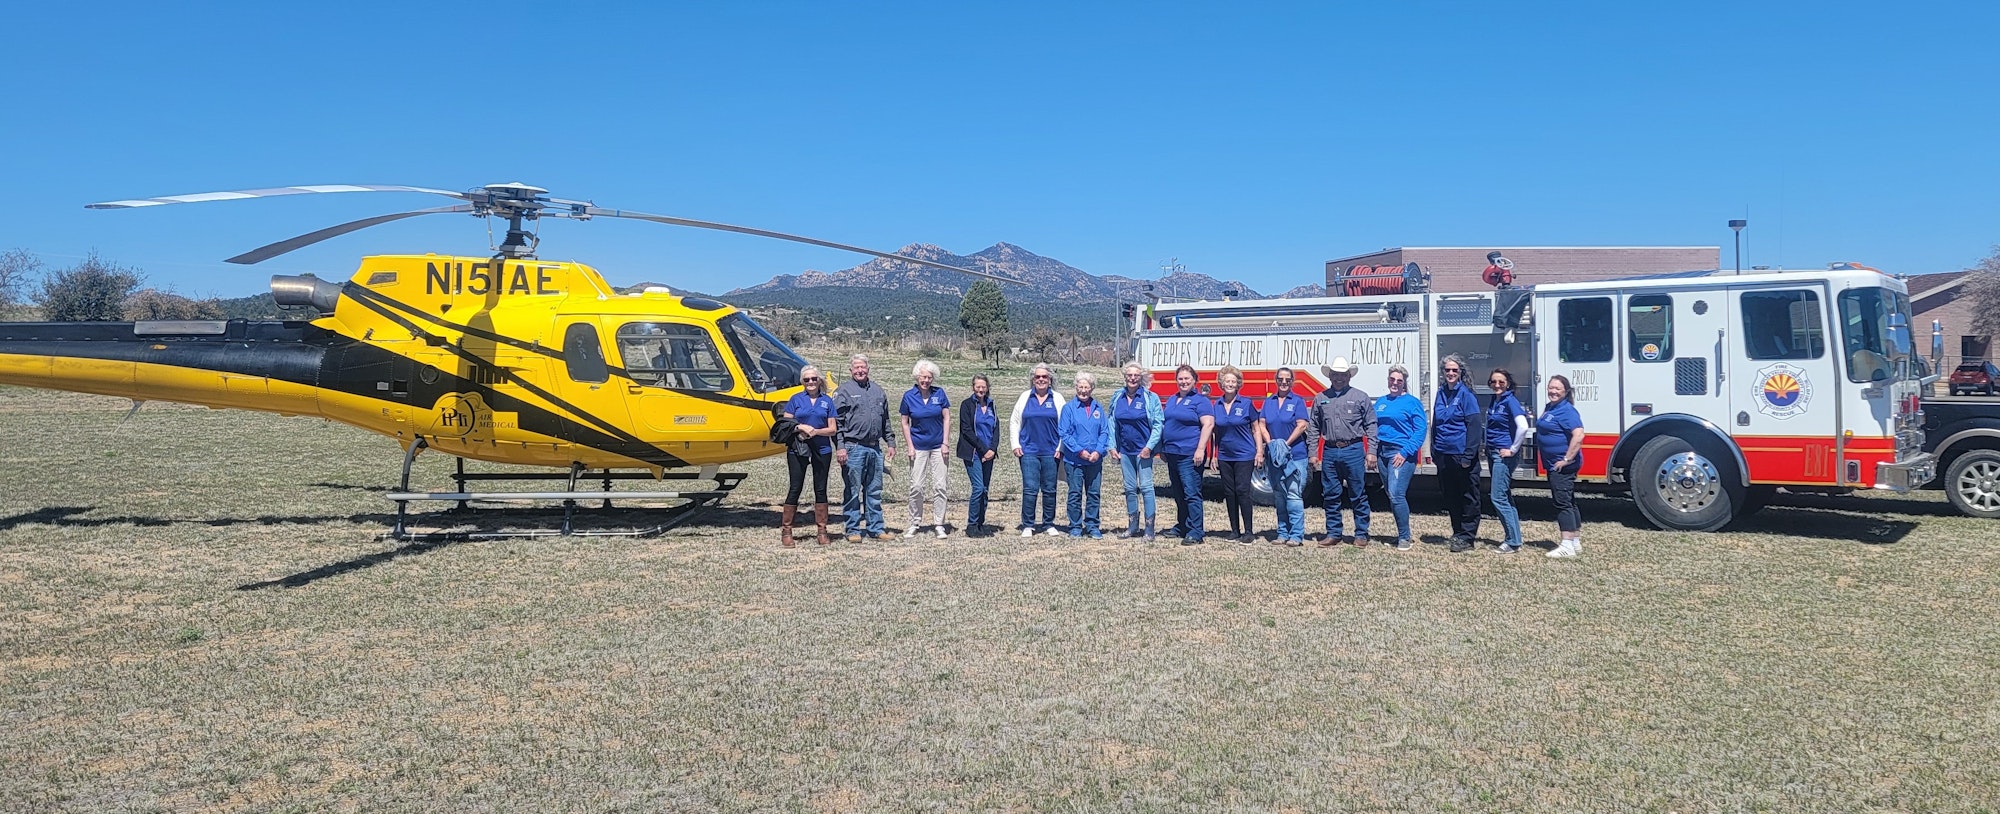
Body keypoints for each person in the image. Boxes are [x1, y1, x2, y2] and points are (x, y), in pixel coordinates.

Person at [1305, 357, 1377, 546]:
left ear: (1349, 376)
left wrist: (1371, 451)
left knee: (1358, 493)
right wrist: (1312, 453)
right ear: (1330, 376)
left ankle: (1361, 534)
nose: (1339, 378)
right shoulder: (1320, 398)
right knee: (1330, 494)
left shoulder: (1361, 397)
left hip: (1353, 450)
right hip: (1329, 451)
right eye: (1335, 374)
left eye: (1342, 375)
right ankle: (1334, 533)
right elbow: (1313, 427)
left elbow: (1371, 426)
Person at [834, 354, 894, 542]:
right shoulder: (843, 391)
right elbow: (837, 423)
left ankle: (876, 528)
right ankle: (853, 529)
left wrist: (890, 441)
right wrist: (840, 447)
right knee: (852, 490)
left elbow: (885, 420)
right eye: (856, 368)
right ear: (851, 370)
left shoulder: (878, 391)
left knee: (874, 490)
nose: (860, 370)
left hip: (875, 448)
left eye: (863, 367)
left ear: (868, 369)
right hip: (853, 448)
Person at [779, 364, 838, 547]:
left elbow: (833, 429)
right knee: (795, 487)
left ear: (819, 380)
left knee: (820, 489)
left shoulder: (827, 401)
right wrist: (800, 427)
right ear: (802, 382)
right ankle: (787, 531)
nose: (811, 382)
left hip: (822, 449)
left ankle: (822, 531)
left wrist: (816, 431)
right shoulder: (795, 399)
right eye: (807, 379)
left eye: (814, 379)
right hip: (798, 448)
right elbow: (785, 424)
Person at [1431, 353, 1483, 552]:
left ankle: (1468, 537)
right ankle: (1457, 532)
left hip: (1462, 454)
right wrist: (1434, 450)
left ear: (1461, 372)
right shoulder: (1440, 393)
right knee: (1450, 495)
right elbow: (1436, 423)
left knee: (1468, 496)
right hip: (1444, 454)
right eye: (1447, 370)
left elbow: (1475, 426)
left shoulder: (1466, 395)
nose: (1451, 373)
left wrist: (1468, 455)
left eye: (1454, 370)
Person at [1373, 364, 1427, 551]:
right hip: (1382, 452)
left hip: (1401, 452)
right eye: (1392, 379)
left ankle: (1405, 537)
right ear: (1388, 380)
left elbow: (1421, 430)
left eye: (1399, 381)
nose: (1395, 383)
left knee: (1396, 494)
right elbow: (1372, 427)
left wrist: (1404, 452)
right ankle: (1399, 534)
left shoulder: (1412, 403)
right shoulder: (1381, 401)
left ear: (1404, 383)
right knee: (1390, 494)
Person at [1159, 364, 1215, 545]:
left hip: (1189, 454)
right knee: (1179, 492)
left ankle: (1196, 531)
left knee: (1191, 493)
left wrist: (1200, 449)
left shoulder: (1201, 401)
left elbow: (1208, 424)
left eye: (1187, 379)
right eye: (1180, 379)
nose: (1183, 382)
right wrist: (1162, 448)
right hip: (1172, 453)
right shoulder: (1173, 399)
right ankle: (1182, 525)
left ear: (1194, 381)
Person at [1109, 362, 1164, 540]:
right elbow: (1111, 422)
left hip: (1143, 451)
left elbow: (1158, 424)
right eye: (1129, 375)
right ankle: (1132, 526)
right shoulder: (1118, 396)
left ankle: (1149, 528)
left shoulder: (1150, 397)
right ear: (1125, 377)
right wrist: (1112, 446)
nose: (1132, 378)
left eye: (1136, 375)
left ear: (1141, 377)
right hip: (1125, 451)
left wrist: (1149, 447)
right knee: (1130, 488)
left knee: (1147, 488)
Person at [1209, 365, 1263, 544]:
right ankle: (1234, 530)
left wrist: (1259, 451)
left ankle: (1248, 531)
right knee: (1229, 492)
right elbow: (1215, 431)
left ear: (1238, 384)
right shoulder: (1215, 404)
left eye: (1233, 381)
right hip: (1225, 455)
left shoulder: (1246, 403)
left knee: (1242, 491)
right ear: (1221, 384)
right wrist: (1214, 455)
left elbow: (1256, 429)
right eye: (1227, 381)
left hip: (1244, 455)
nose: (1230, 384)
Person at [1258, 366, 1310, 547]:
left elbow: (1302, 425)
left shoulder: (1297, 401)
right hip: (1275, 457)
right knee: (1279, 495)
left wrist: (1285, 445)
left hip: (1295, 455)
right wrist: (1272, 443)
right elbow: (1262, 423)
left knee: (1294, 495)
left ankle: (1296, 535)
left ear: (1292, 381)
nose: (1284, 382)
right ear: (1276, 380)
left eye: (1288, 379)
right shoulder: (1269, 401)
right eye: (1280, 379)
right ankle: (1282, 533)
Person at [1057, 371, 1113, 539]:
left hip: (1095, 460)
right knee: (1075, 493)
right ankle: (1075, 526)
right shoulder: (1068, 408)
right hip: (1074, 460)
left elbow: (1104, 431)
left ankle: (1092, 525)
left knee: (1093, 493)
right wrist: (1079, 451)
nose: (1083, 391)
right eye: (1080, 387)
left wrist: (1098, 451)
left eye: (1086, 387)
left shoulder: (1098, 408)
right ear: (1076, 388)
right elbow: (1064, 433)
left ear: (1092, 389)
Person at [1537, 374, 1587, 558]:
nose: (1553, 391)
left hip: (1562, 466)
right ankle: (1574, 541)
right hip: (1553, 463)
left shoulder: (1567, 410)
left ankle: (1566, 545)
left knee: (1562, 502)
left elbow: (1579, 435)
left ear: (1566, 391)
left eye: (1557, 388)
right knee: (1570, 500)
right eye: (1551, 388)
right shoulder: (1552, 407)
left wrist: (1566, 459)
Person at [900, 359, 951, 539]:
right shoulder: (908, 396)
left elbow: (946, 418)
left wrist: (945, 443)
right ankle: (914, 522)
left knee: (940, 486)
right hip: (918, 447)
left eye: (929, 377)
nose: (926, 380)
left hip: (938, 446)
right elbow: (905, 423)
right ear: (917, 377)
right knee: (917, 486)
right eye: (923, 377)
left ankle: (939, 523)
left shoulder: (940, 394)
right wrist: (910, 447)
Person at [1011, 363, 1064, 537]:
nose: (1041, 380)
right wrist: (1015, 444)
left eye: (1044, 377)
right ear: (1033, 380)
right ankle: (1028, 524)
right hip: (1028, 451)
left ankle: (1048, 523)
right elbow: (1015, 422)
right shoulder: (1025, 397)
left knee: (1049, 489)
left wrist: (1060, 447)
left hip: (1051, 451)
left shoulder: (1057, 398)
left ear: (1050, 380)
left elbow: (1065, 425)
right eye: (1037, 377)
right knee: (1030, 488)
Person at [1485, 368, 1532, 554]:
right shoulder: (1496, 400)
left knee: (1497, 497)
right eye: (1493, 382)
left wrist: (1512, 449)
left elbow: (1523, 426)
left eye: (1501, 382)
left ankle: (1512, 541)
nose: (1497, 385)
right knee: (1505, 496)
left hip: (1502, 455)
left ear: (1508, 384)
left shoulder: (1510, 401)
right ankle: (1515, 539)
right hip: (1493, 452)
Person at [956, 374, 999, 537]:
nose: (981, 389)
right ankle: (972, 524)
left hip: (989, 453)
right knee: (978, 488)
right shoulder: (966, 405)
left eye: (983, 386)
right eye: (977, 386)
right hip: (973, 453)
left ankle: (981, 523)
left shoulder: (991, 405)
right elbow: (966, 430)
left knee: (985, 490)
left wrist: (992, 449)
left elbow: (996, 428)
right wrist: (983, 449)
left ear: (987, 387)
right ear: (973, 387)